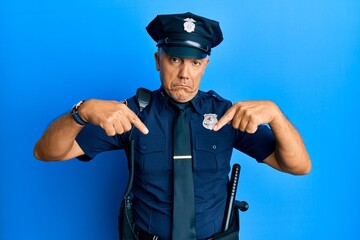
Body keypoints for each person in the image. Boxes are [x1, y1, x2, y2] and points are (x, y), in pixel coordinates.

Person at [34, 12, 311, 240]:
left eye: (195, 63)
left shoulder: (226, 115)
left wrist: (277, 117)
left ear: (205, 65)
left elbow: (298, 166)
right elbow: (48, 152)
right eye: (175, 59)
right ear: (158, 61)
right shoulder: (130, 114)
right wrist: (80, 113)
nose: (184, 74)